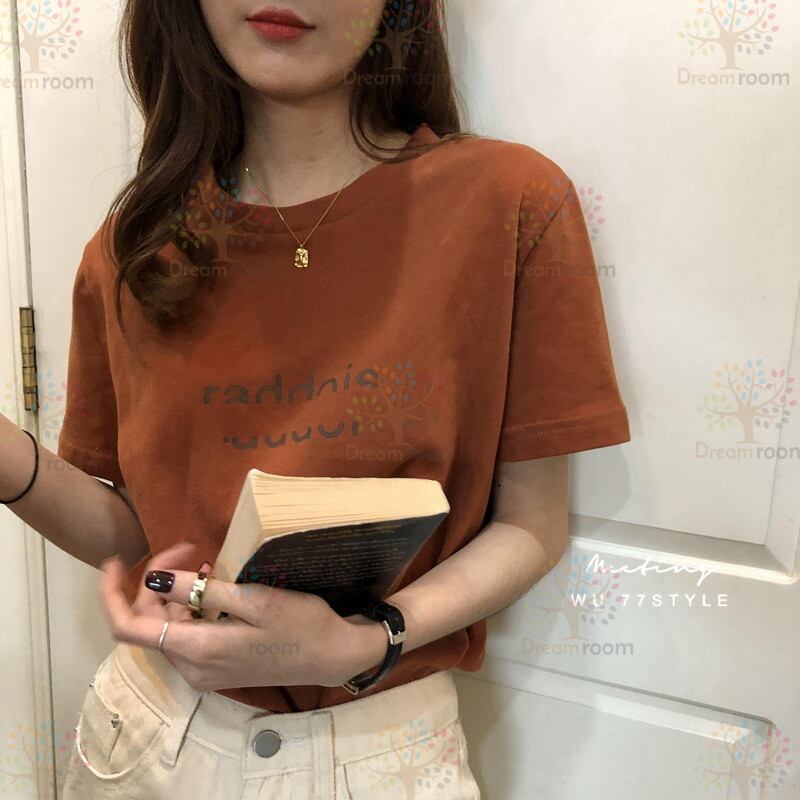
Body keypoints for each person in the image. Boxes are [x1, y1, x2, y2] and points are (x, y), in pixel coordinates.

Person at [0, 1, 631, 798]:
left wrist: (369, 641)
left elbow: (532, 525)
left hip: (380, 749)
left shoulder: (511, 203)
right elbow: (139, 535)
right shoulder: (134, 245)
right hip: (146, 737)